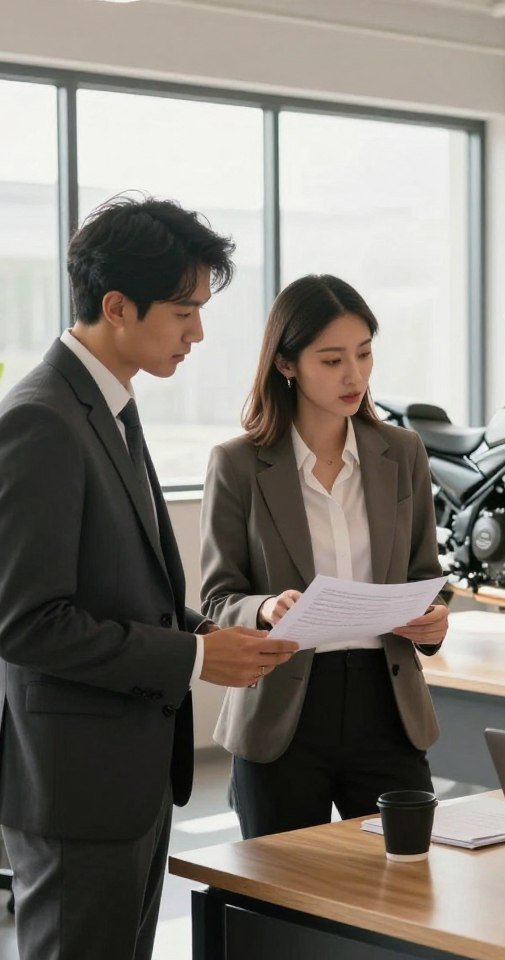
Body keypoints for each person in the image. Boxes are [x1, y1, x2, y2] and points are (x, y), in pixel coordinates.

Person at [0, 195, 299, 960]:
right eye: (184, 312)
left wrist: (218, 633)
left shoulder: (108, 404)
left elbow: (129, 592)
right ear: (117, 308)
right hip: (73, 783)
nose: (196, 334)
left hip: (122, 770)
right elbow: (27, 624)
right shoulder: (41, 422)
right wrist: (194, 662)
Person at [200, 273, 448, 839]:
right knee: (280, 900)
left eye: (363, 354)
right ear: (287, 365)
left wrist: (434, 620)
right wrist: (264, 609)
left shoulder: (403, 452)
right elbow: (217, 597)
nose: (354, 375)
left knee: (405, 890)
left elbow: (425, 575)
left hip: (386, 704)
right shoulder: (238, 465)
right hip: (283, 708)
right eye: (332, 359)